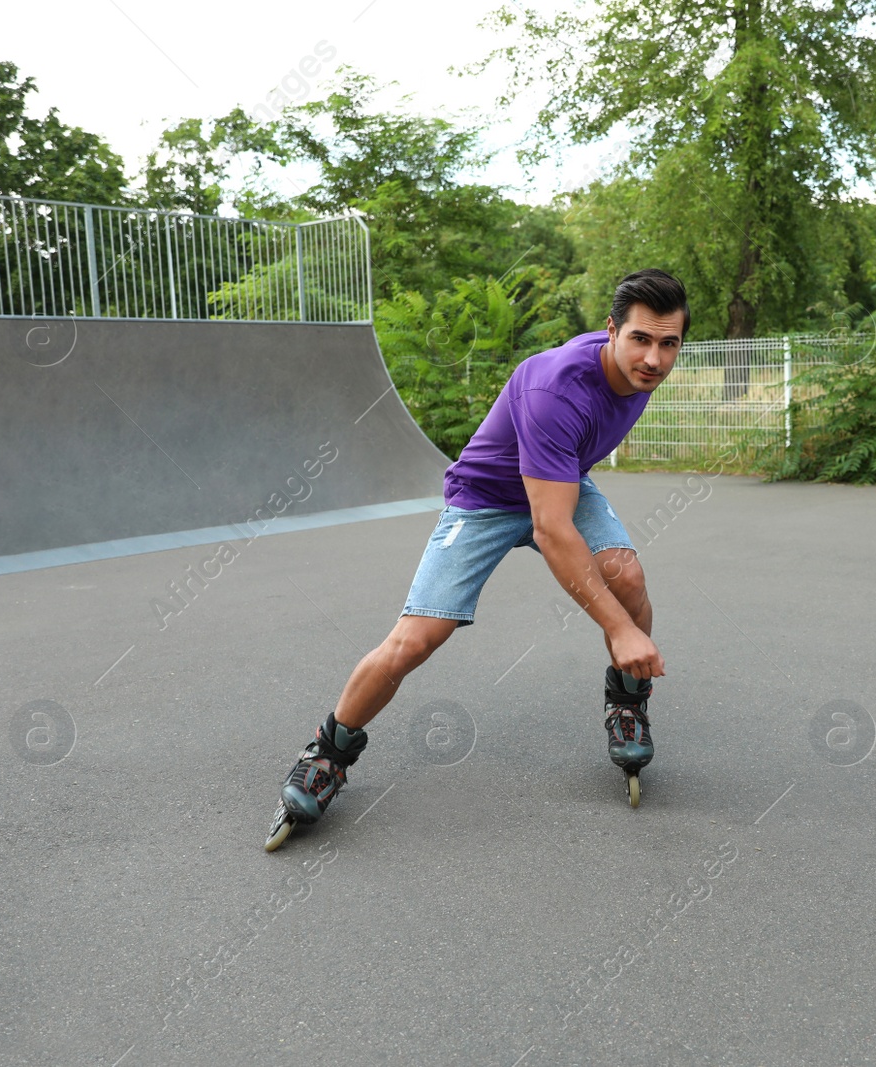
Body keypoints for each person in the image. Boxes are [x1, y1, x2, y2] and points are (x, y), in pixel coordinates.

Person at [266, 268, 688, 849]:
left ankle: (627, 701)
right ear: (611, 330)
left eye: (669, 344)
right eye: (641, 339)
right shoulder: (557, 388)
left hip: (560, 484)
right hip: (486, 501)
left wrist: (622, 618)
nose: (654, 359)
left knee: (627, 575)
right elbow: (551, 528)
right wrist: (618, 629)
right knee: (416, 639)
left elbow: (558, 504)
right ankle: (328, 751)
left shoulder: (639, 376)